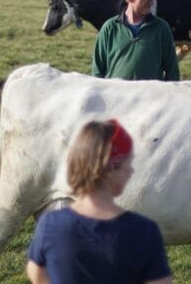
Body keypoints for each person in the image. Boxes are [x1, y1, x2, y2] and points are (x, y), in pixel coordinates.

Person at [26, 119, 173, 284]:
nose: (131, 170)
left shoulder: (50, 225)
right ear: (111, 169)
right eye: (127, 163)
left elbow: (36, 273)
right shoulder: (144, 232)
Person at [91, 0, 180, 81]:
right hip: (116, 96)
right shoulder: (110, 28)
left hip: (150, 97)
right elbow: (97, 72)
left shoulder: (161, 28)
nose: (151, 1)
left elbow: (173, 72)